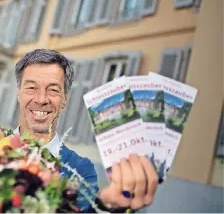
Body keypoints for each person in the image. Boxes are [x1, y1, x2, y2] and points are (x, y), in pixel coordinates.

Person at [13, 49, 159, 212]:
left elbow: (86, 208)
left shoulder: (81, 169)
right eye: (31, 88)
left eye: (53, 90)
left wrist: (106, 204)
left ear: (64, 100)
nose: (41, 99)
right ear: (19, 94)